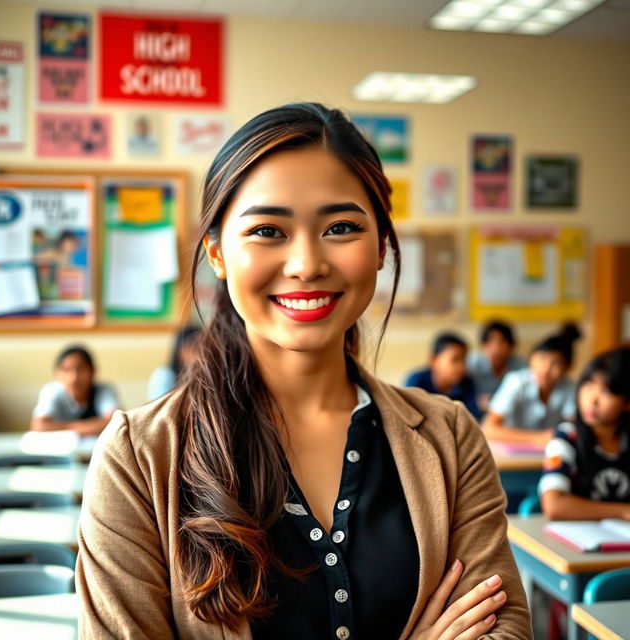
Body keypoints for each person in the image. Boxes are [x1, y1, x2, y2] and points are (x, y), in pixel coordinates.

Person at [77, 103, 530, 639]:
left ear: (381, 244)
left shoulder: (449, 436)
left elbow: (504, 628)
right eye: (268, 230)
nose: (307, 263)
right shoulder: (137, 458)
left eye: (341, 227)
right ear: (217, 253)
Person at [540, 347, 630, 520]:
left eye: (606, 391)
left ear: (627, 402)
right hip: (577, 540)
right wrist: (623, 511)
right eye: (588, 386)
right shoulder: (566, 438)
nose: (593, 399)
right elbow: (553, 506)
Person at [482, 323, 581, 447]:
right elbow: (489, 429)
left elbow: (575, 427)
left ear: (568, 367)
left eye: (555, 363)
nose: (546, 369)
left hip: (549, 454)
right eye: (541, 359)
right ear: (531, 359)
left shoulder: (569, 387)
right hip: (511, 453)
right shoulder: (516, 382)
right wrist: (537, 438)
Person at [31, 345, 119, 437]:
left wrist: (61, 428)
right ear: (57, 374)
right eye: (66, 370)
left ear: (92, 371)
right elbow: (39, 426)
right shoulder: (51, 391)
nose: (74, 378)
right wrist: (88, 427)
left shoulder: (104, 390)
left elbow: (115, 421)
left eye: (81, 369)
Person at [404, 332, 481, 420]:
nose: (462, 367)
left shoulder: (466, 383)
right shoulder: (416, 380)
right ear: (434, 360)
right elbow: (408, 417)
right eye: (455, 360)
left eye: (464, 360)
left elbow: (472, 419)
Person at [467, 320, 526, 415]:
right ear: (483, 346)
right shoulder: (472, 364)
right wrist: (475, 401)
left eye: (501, 342)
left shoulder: (521, 366)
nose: (496, 347)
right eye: (490, 342)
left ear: (511, 345)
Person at [147, 325, 200, 401]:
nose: (197, 354)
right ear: (180, 348)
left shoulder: (199, 376)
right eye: (193, 347)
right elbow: (160, 406)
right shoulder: (163, 375)